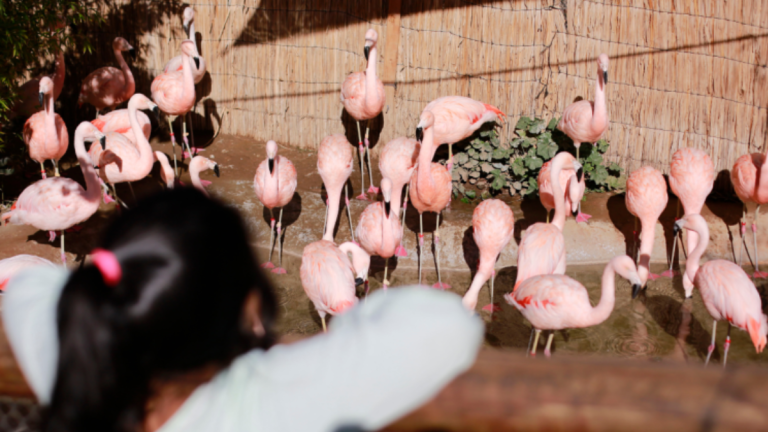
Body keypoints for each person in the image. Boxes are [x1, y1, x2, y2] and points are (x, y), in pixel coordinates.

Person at [2, 188, 483, 432]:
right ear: (249, 303)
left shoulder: (72, 357)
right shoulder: (269, 400)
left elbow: (32, 287)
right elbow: (449, 325)